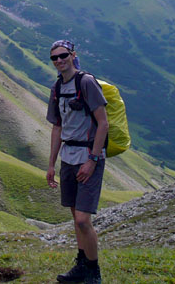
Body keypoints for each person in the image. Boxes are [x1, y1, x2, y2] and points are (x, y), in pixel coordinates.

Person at [45, 40, 109, 284]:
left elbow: (103, 123)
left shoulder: (86, 83)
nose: (59, 61)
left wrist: (92, 159)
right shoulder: (57, 88)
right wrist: (51, 164)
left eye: (63, 56)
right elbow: (57, 127)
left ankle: (93, 271)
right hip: (68, 158)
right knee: (75, 217)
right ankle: (81, 266)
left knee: (83, 219)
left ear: (73, 55)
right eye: (54, 58)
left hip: (88, 157)